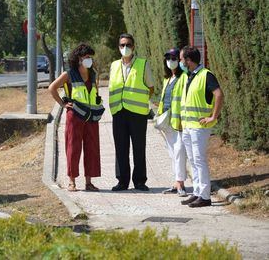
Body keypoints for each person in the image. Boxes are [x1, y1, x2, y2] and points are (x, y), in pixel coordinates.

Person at [48, 43, 104, 192]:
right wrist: (63, 104)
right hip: (75, 116)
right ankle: (72, 181)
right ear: (78, 58)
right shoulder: (69, 74)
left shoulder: (93, 74)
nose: (89, 59)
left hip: (91, 116)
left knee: (92, 148)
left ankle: (89, 182)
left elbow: (95, 92)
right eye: (86, 57)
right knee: (73, 148)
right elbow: (52, 88)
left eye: (90, 57)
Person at [179, 46, 224, 208]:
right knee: (192, 160)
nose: (180, 62)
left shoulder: (206, 75)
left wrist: (213, 116)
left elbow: (219, 95)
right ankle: (197, 192)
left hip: (200, 127)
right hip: (188, 126)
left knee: (199, 160)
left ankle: (205, 196)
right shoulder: (189, 75)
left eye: (181, 59)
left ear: (188, 60)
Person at [109, 33, 154, 191]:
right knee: (120, 148)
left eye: (128, 44)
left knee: (138, 147)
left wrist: (139, 102)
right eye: (122, 45)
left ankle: (140, 181)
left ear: (133, 47)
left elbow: (151, 88)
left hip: (137, 113)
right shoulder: (114, 65)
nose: (125, 48)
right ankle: (122, 181)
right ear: (118, 47)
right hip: (118, 112)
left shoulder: (143, 64)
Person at [156, 48, 188, 197]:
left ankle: (181, 183)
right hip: (167, 122)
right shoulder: (167, 79)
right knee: (172, 153)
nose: (170, 61)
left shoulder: (184, 78)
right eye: (168, 58)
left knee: (179, 151)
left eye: (174, 58)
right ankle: (176, 183)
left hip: (179, 122)